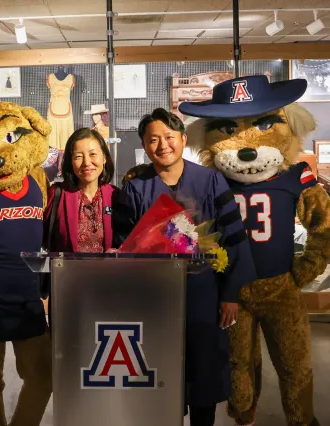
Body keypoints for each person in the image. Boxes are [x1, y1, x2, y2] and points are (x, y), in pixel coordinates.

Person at [113, 108, 257, 426]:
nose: (162, 145)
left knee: (203, 378)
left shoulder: (210, 180)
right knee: (161, 378)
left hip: (204, 296)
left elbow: (234, 238)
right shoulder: (136, 188)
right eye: (153, 140)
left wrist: (230, 294)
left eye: (168, 137)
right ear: (144, 145)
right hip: (154, 301)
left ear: (183, 139)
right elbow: (124, 245)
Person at [43, 128, 119, 324]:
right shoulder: (56, 194)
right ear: (70, 161)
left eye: (93, 154)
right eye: (78, 156)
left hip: (109, 293)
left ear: (104, 158)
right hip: (67, 294)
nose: (87, 163)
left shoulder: (117, 197)